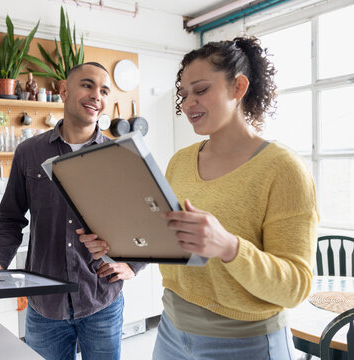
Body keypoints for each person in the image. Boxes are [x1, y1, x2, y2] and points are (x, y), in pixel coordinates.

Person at [79, 36, 319, 360]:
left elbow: (296, 286)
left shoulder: (283, 169)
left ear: (239, 87)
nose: (188, 103)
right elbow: (168, 240)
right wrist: (116, 245)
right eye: (184, 94)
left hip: (245, 343)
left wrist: (229, 247)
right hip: (171, 334)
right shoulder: (181, 161)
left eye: (201, 90)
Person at [0, 62, 146, 360]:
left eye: (104, 90)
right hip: (45, 306)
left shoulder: (119, 155)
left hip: (101, 300)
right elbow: (10, 218)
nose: (96, 94)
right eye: (87, 85)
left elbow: (144, 222)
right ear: (63, 91)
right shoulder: (29, 152)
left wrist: (133, 266)